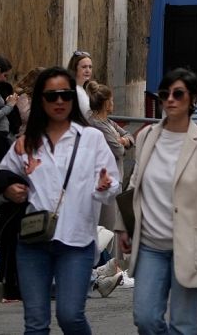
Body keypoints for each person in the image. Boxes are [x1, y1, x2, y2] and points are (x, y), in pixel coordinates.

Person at [0, 66, 121, 335]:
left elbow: (113, 185)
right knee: (35, 324)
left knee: (70, 316)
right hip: (33, 241)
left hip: (76, 242)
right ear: (41, 99)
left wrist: (104, 186)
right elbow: (4, 176)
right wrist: (10, 190)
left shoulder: (91, 139)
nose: (59, 101)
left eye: (65, 95)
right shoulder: (26, 142)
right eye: (51, 95)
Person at [122, 68, 197, 335]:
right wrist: (124, 226)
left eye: (178, 94)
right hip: (151, 245)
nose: (170, 100)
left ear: (193, 99)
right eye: (165, 94)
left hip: (191, 245)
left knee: (183, 326)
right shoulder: (146, 136)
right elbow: (135, 184)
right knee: (146, 319)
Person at [86, 80, 134, 295]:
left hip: (114, 181)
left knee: (111, 226)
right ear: (105, 103)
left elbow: (129, 136)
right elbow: (119, 150)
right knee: (107, 227)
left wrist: (123, 139)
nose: (113, 102)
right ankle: (108, 271)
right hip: (104, 183)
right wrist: (122, 142)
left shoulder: (108, 122)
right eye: (111, 99)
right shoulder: (96, 124)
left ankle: (108, 270)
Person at [68, 50, 95, 118]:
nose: (88, 70)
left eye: (90, 67)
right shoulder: (72, 90)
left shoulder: (86, 89)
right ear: (75, 68)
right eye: (84, 67)